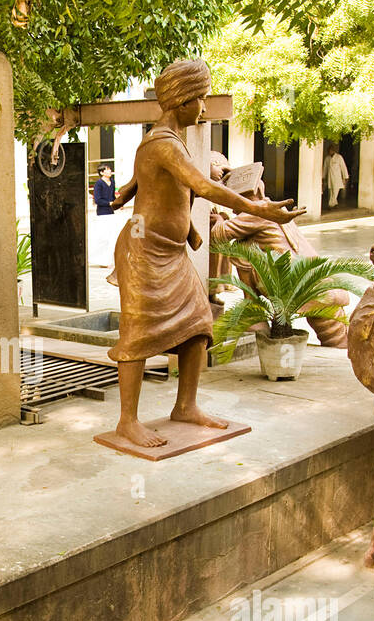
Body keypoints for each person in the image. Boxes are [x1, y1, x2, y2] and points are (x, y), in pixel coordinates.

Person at [106, 59, 304, 448]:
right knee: (138, 333)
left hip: (172, 251)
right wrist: (259, 208)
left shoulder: (164, 141)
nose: (205, 107)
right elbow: (201, 185)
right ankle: (127, 421)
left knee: (198, 323)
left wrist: (133, 188)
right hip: (144, 252)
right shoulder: (163, 143)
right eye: (200, 98)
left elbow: (160, 182)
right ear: (180, 102)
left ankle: (186, 406)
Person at [210, 166, 350, 348]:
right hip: (310, 280)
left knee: (333, 334)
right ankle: (255, 316)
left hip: (296, 285)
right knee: (334, 333)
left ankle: (255, 317)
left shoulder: (256, 212)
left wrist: (220, 220)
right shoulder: (271, 208)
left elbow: (217, 235)